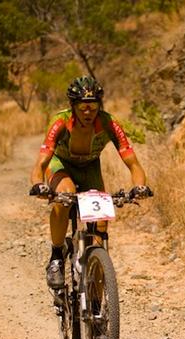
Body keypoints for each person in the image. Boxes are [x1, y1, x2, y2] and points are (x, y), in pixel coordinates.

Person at [29, 76, 152, 289]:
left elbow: (133, 163)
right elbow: (41, 163)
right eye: (83, 107)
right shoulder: (60, 122)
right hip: (61, 165)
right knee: (64, 197)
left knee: (101, 224)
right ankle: (56, 256)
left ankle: (96, 294)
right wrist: (39, 184)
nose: (88, 112)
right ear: (73, 106)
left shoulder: (108, 123)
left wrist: (139, 187)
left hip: (89, 168)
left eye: (93, 106)